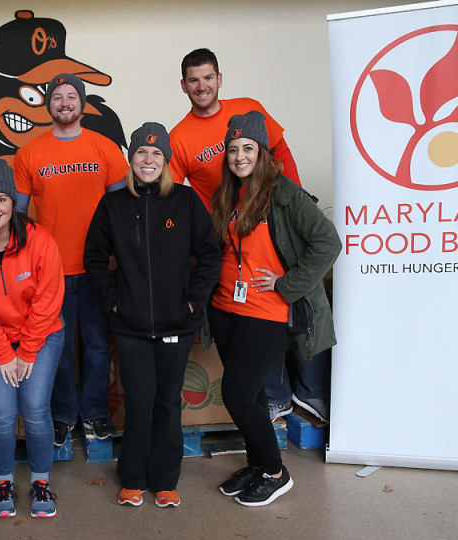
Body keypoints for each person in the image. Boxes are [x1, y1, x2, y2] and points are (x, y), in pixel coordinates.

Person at [84, 123, 220, 508]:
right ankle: (132, 478)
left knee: (167, 402)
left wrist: (193, 302)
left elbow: (210, 255)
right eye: (141, 153)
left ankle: (165, 480)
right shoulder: (114, 205)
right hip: (131, 326)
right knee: (139, 401)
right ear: (131, 159)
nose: (148, 160)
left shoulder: (186, 201)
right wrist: (114, 303)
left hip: (177, 323)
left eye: (156, 153)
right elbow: (93, 258)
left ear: (166, 160)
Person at [208, 111, 340, 507]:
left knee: (238, 394)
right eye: (233, 150)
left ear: (263, 153)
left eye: (247, 148)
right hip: (225, 307)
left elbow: (327, 241)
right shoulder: (228, 194)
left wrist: (288, 285)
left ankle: (275, 472)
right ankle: (256, 462)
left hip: (265, 310)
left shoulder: (283, 193)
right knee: (247, 395)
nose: (239, 157)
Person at [169, 48, 304, 421]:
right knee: (250, 311)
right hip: (229, 237)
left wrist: (292, 200)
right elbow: (175, 194)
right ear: (183, 86)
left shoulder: (248, 108)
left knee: (292, 302)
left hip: (272, 224)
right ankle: (272, 395)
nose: (202, 86)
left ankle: (306, 393)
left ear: (219, 79)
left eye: (208, 77)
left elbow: (280, 151)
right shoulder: (179, 137)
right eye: (193, 80)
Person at [13, 73, 129, 446]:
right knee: (58, 349)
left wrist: (118, 257)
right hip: (50, 271)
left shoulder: (105, 148)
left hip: (97, 267)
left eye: (71, 96)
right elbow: (16, 215)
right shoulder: (30, 153)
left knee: (96, 345)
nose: (64, 102)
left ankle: (94, 415)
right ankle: (63, 415)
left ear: (82, 103)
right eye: (57, 97)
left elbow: (122, 209)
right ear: (49, 106)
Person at [0, 158, 65, 518]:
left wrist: (29, 349)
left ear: (13, 203)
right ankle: (3, 481)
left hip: (43, 332)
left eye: (1, 199)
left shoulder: (40, 240)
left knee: (35, 409)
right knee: (3, 412)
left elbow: (48, 300)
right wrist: (5, 353)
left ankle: (40, 481)